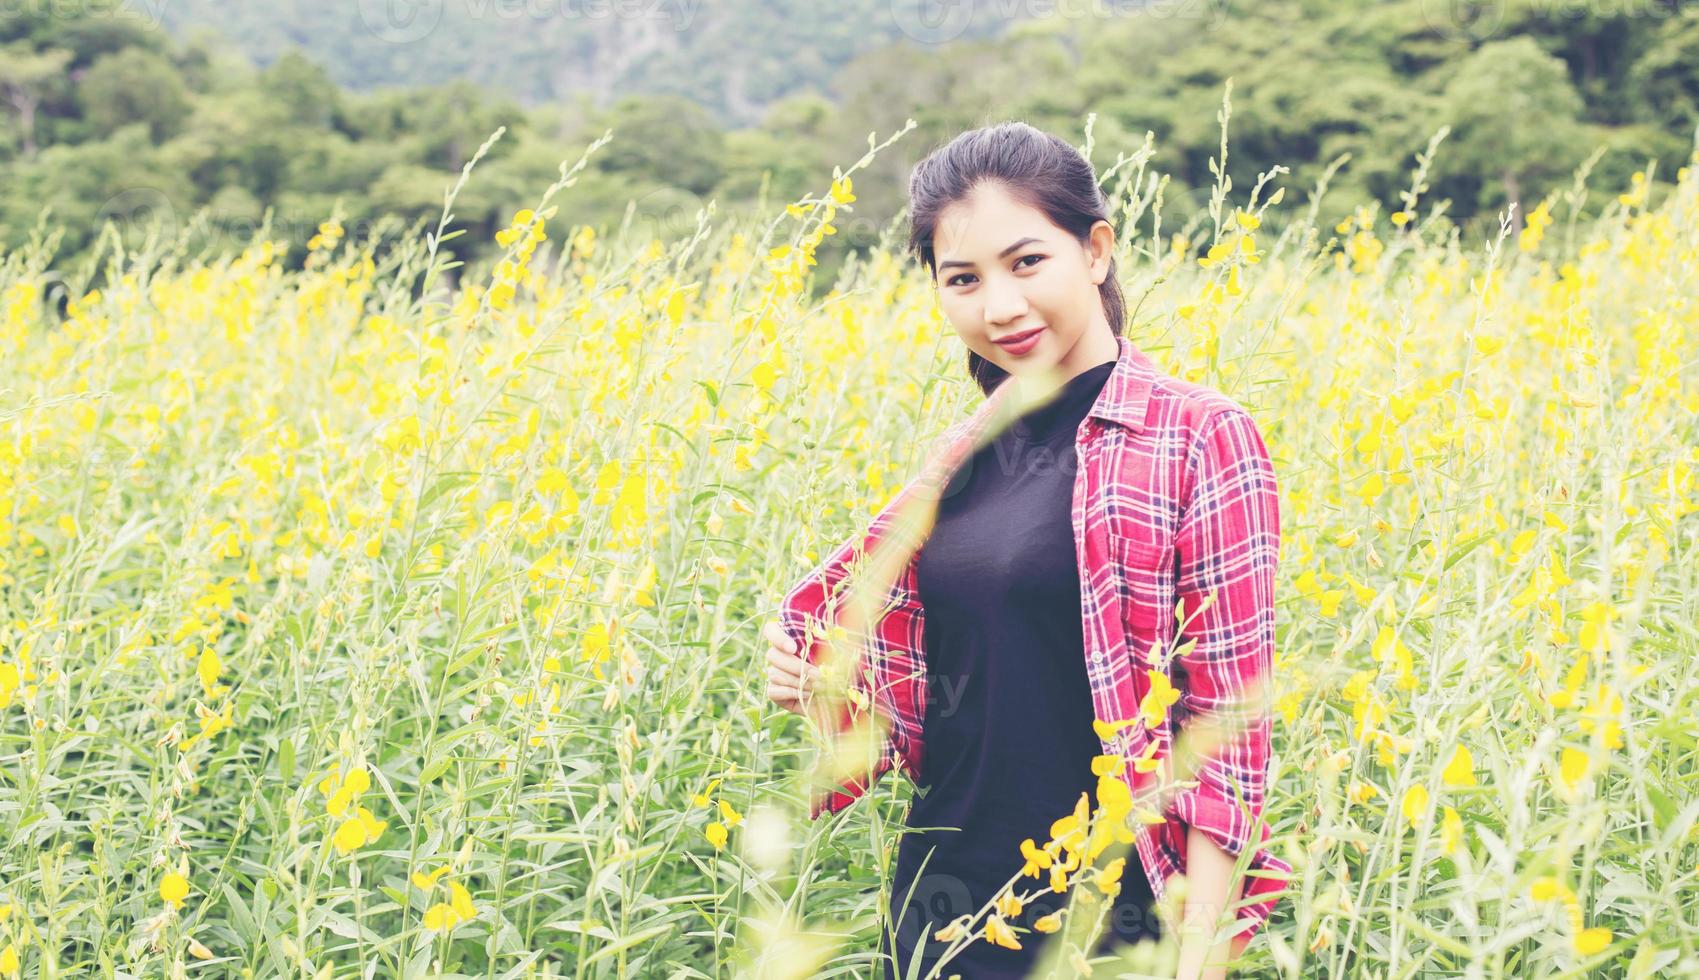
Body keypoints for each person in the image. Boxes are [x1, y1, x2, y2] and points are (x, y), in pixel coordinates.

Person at [764, 121, 1291, 979]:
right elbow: (942, 691)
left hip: (1115, 917)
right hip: (946, 908)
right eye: (962, 279)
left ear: (1094, 250)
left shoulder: (1198, 436)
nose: (998, 306)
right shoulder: (958, 459)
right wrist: (821, 674)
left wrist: (1196, 956)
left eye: (1026, 263)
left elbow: (1227, 728)